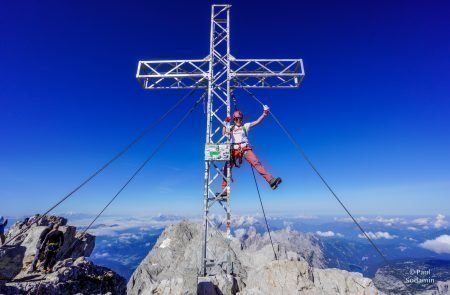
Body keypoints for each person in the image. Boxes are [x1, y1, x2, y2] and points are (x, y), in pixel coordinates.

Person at [220, 104, 282, 197]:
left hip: (245, 148)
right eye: (236, 119)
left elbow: (257, 121)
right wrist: (225, 122)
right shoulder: (231, 128)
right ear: (234, 120)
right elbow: (224, 133)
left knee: (256, 163)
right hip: (233, 150)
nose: (238, 120)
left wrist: (264, 113)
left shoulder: (246, 126)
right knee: (227, 168)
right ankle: (225, 191)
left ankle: (271, 180)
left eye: (240, 119)